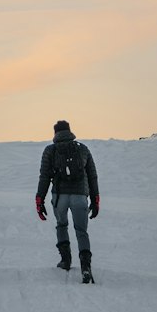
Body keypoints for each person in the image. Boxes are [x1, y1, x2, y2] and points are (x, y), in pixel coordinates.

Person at [35, 119, 100, 283]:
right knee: (81, 231)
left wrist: (39, 199)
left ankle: (65, 261)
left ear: (55, 133)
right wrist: (96, 199)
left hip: (60, 196)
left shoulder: (50, 150)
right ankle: (86, 268)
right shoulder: (83, 149)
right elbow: (92, 176)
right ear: (70, 132)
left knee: (62, 225)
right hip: (80, 197)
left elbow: (44, 176)